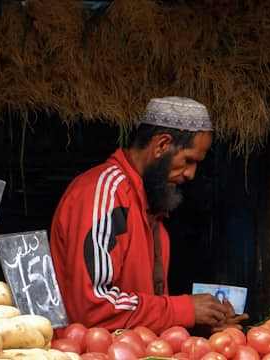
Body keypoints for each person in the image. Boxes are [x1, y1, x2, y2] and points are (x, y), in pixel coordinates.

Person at [49, 96, 247, 335]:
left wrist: (202, 319)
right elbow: (93, 307)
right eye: (188, 160)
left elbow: (144, 315)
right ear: (161, 145)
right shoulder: (104, 194)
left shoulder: (150, 208)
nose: (191, 174)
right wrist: (183, 309)